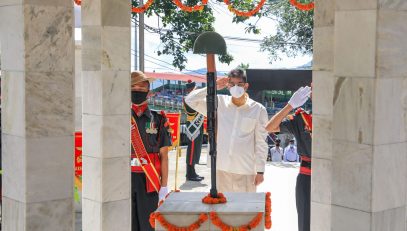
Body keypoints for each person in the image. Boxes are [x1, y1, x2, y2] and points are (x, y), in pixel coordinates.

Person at [185, 68, 268, 193]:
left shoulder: (258, 110)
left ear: (246, 86)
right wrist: (213, 86)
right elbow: (190, 100)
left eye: (239, 84)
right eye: (232, 84)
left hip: (245, 171)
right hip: (221, 169)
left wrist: (260, 171)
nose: (236, 87)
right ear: (227, 86)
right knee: (220, 211)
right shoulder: (218, 102)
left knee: (245, 211)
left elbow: (261, 143)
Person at [265, 86, 312, 231]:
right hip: (307, 176)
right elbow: (270, 127)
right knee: (305, 223)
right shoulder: (302, 119)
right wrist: (290, 106)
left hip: (332, 175)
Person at [130, 71, 172, 231]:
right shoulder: (119, 117)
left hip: (150, 181)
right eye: (133, 87)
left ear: (148, 91)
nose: (137, 90)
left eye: (142, 87)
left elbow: (164, 156)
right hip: (125, 179)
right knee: (129, 223)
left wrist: (164, 186)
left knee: (149, 225)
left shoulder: (159, 119)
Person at [184, 80, 205, 181]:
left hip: (196, 126)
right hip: (193, 127)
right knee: (192, 150)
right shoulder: (188, 99)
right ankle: (190, 173)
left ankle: (192, 171)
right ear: (192, 89)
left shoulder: (193, 98)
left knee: (196, 149)